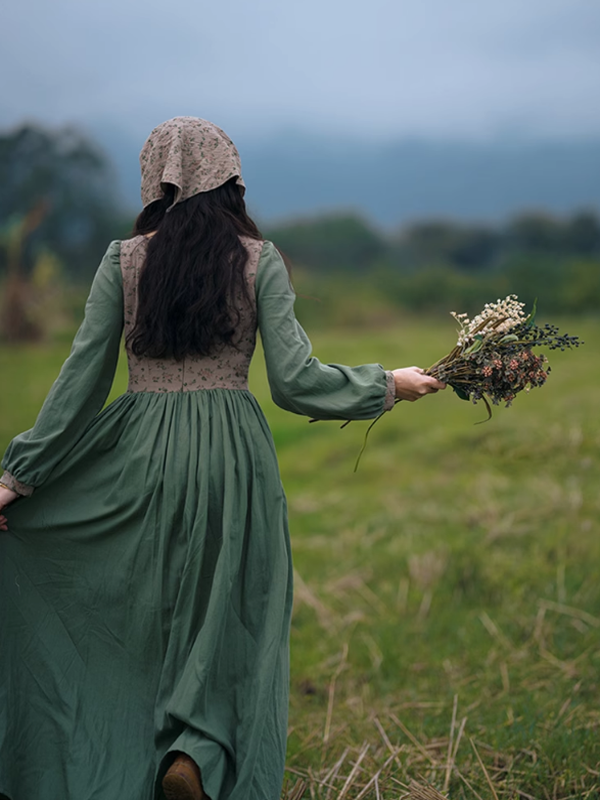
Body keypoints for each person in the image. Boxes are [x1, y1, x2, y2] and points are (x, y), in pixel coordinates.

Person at [0, 117, 445, 800]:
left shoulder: (122, 259)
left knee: (145, 613)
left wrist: (16, 477)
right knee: (235, 614)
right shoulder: (258, 259)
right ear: (232, 178)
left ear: (156, 179)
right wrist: (388, 384)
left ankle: (138, 755)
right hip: (234, 459)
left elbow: (79, 384)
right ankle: (198, 750)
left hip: (138, 453)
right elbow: (295, 381)